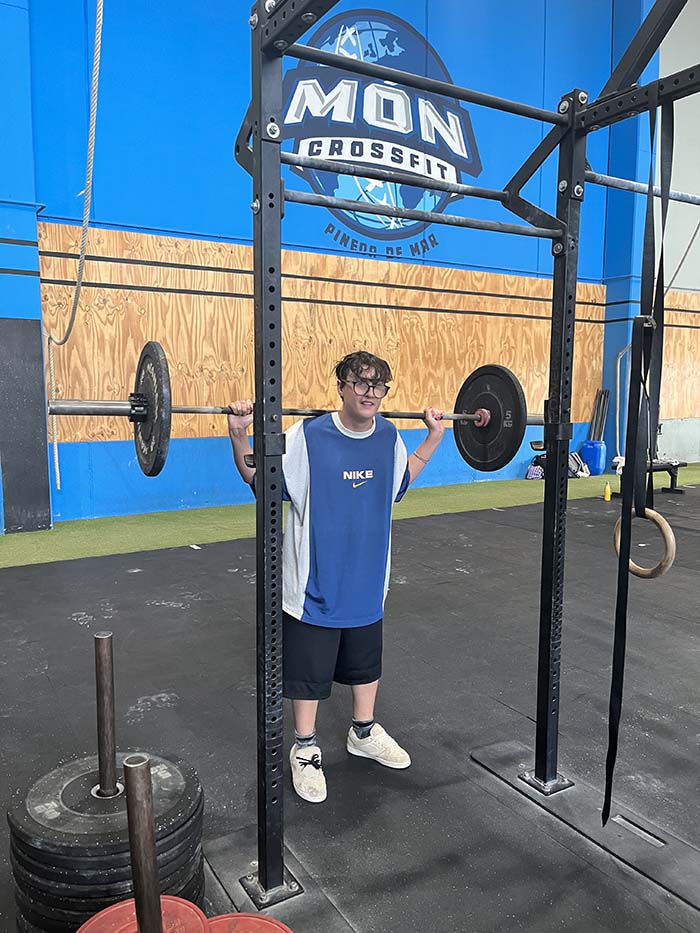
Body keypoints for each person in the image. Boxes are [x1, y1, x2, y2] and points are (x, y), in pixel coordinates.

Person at [227, 350, 444, 803]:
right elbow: (258, 479)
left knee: (366, 665)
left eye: (378, 385)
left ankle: (363, 733)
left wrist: (433, 438)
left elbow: (401, 481)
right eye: (361, 382)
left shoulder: (389, 436)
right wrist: (239, 434)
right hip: (315, 584)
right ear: (342, 386)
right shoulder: (308, 435)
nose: (370, 392)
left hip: (367, 580)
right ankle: (305, 749)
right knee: (307, 674)